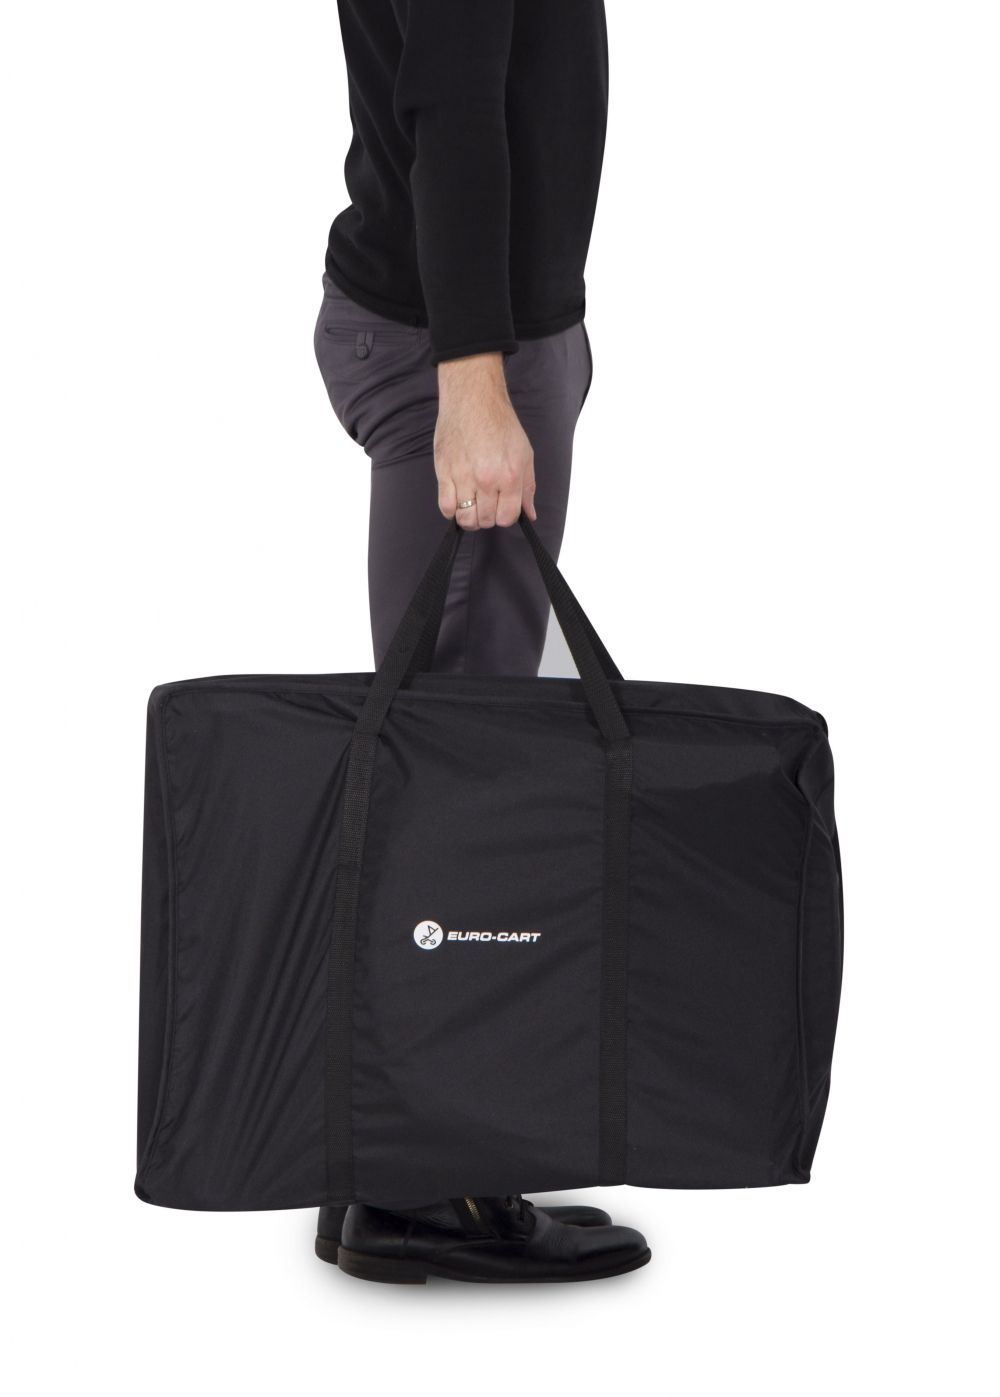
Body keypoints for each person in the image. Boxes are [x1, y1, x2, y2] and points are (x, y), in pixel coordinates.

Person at [311, 0, 650, 1285]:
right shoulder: (464, 365)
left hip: (480, 332)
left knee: (452, 745)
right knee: (456, 759)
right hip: (455, 347)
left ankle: (386, 1149)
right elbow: (450, 98)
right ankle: (419, 1183)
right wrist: (474, 379)